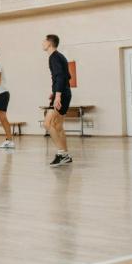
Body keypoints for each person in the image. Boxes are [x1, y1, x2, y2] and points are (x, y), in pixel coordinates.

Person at [43, 34, 73, 166]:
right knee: (58, 126)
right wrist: (55, 92)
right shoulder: (60, 56)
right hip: (65, 93)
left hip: (62, 95)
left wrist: (58, 95)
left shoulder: (53, 57)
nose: (42, 43)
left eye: (44, 41)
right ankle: (65, 155)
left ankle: (62, 154)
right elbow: (68, 76)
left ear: (49, 43)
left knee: (48, 123)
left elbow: (60, 76)